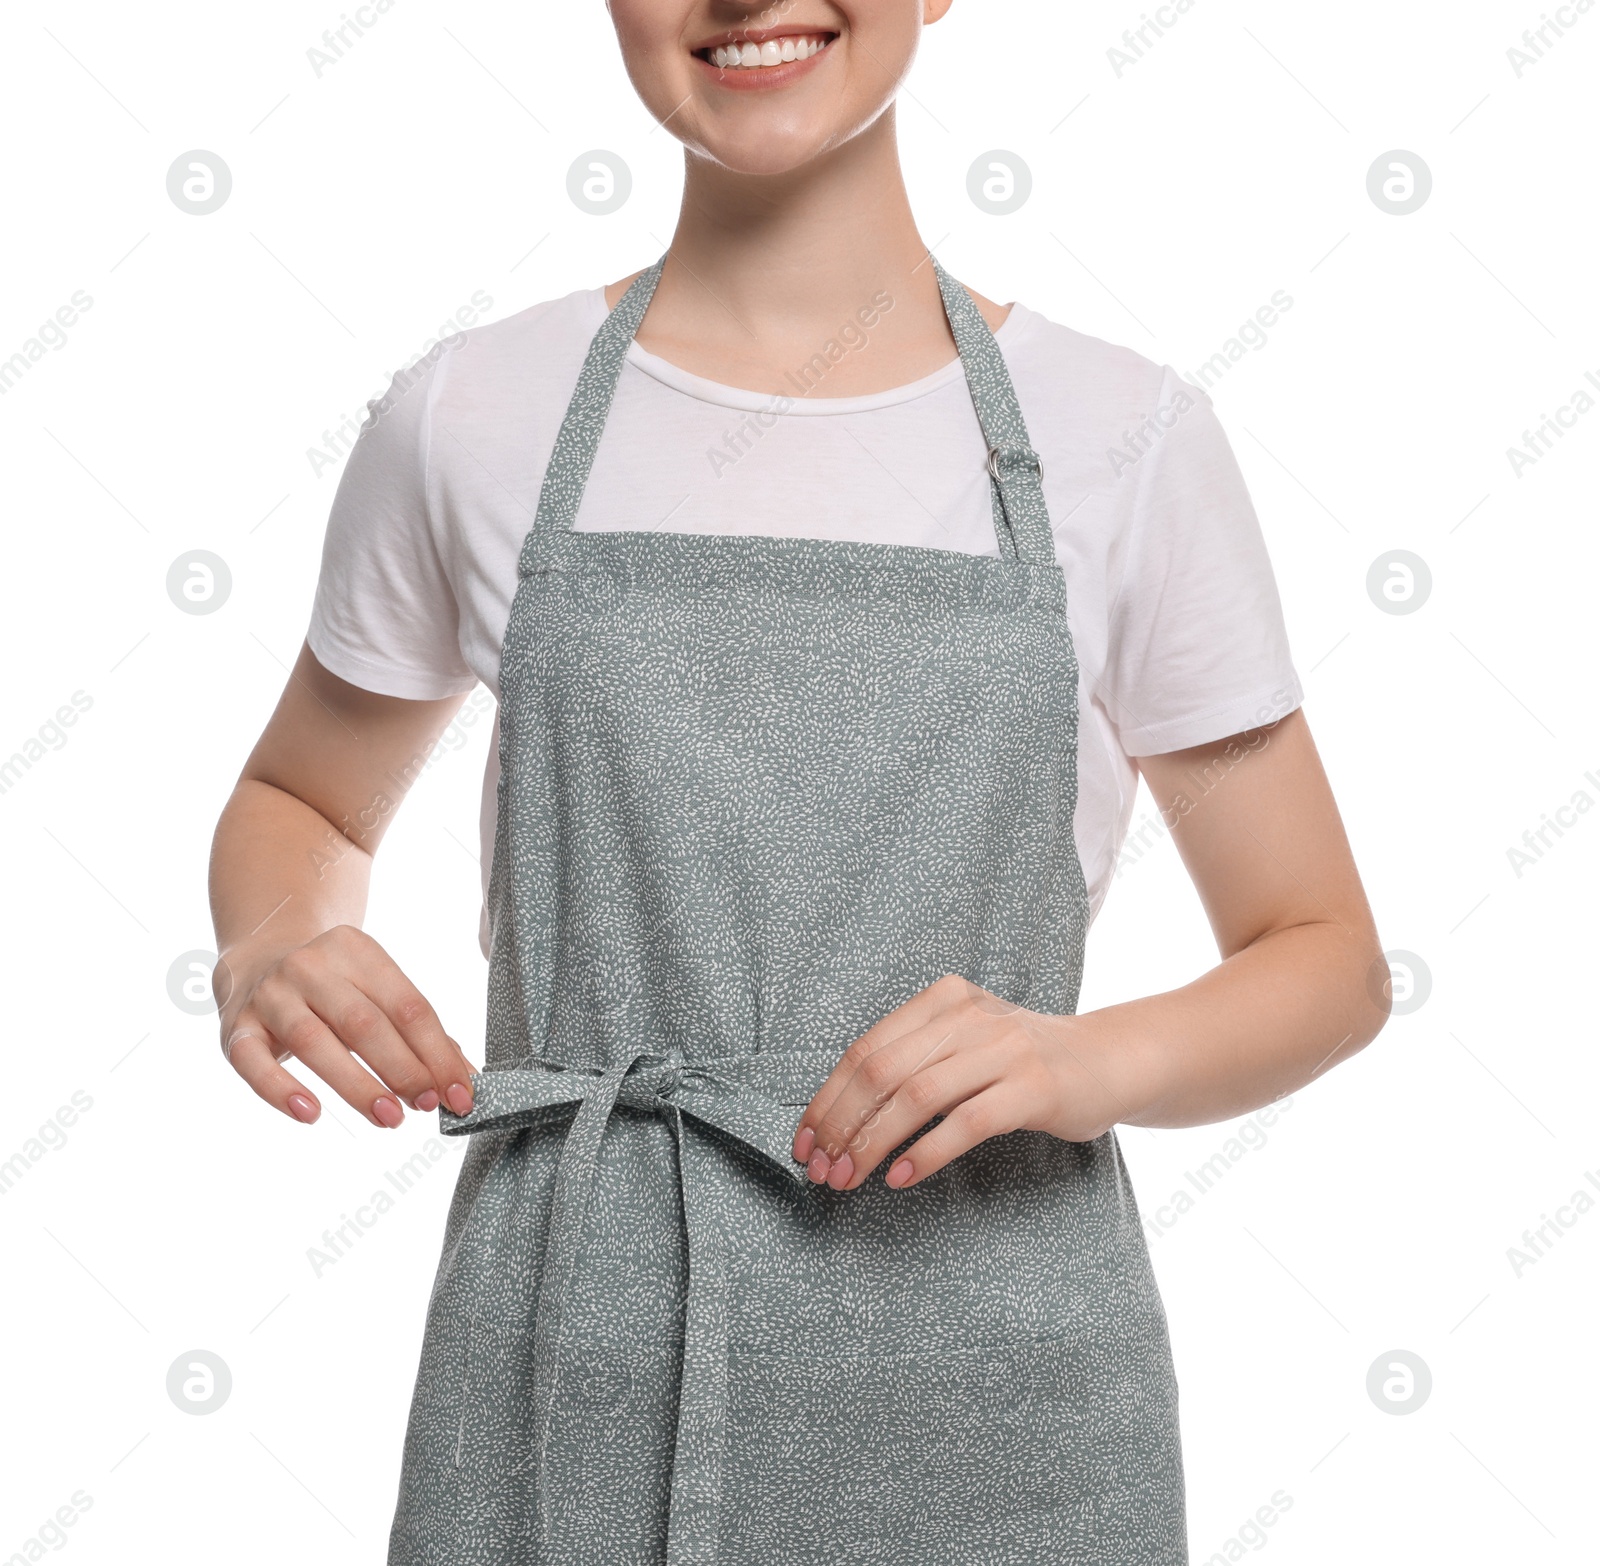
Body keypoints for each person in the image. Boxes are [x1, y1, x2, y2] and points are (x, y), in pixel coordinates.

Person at [207, 2, 1391, 1561]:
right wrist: (274, 942)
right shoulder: (467, 419)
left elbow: (1325, 955)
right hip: (567, 1381)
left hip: (1007, 1418)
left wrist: (1078, 1062)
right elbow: (304, 799)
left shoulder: (1127, 440)